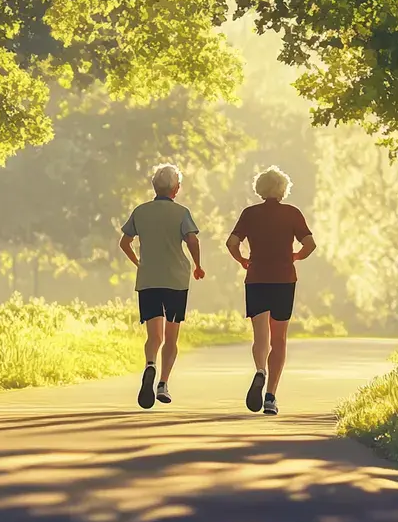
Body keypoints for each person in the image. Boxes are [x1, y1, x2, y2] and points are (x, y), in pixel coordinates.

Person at [226, 166, 316, 415]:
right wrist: (295, 256)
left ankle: (259, 371)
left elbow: (231, 242)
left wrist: (242, 260)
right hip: (284, 279)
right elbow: (310, 243)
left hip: (256, 278)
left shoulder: (250, 214)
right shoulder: (292, 214)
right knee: (279, 339)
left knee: (260, 336)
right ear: (283, 189)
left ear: (260, 188)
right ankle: (271, 397)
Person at [119, 163, 205, 409]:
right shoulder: (181, 213)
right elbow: (192, 239)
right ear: (176, 189)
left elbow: (125, 242)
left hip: (149, 280)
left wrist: (139, 263)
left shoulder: (141, 211)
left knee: (153, 335)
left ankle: (150, 365)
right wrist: (198, 265)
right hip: (176, 280)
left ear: (154, 186)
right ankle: (163, 383)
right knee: (171, 336)